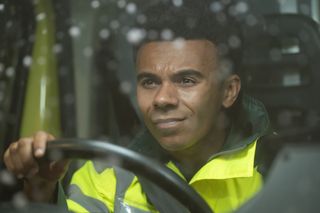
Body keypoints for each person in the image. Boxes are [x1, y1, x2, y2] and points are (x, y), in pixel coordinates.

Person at [3, 1, 270, 212]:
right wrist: (41, 192)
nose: (162, 99)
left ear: (228, 91)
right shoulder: (105, 176)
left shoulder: (274, 172)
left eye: (186, 80)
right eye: (149, 82)